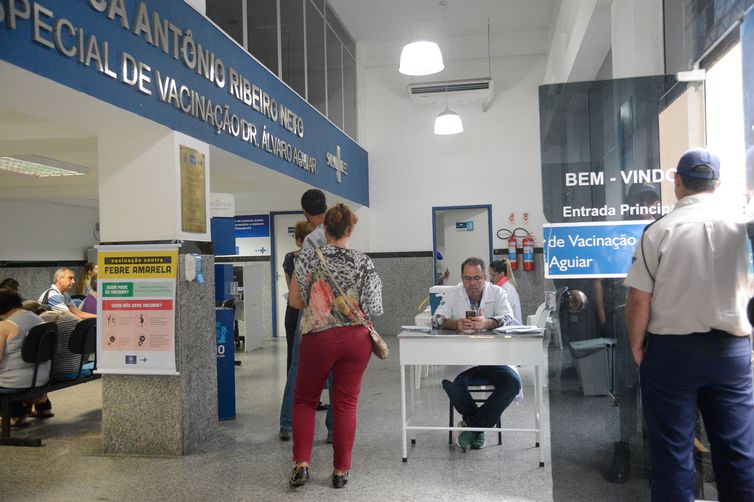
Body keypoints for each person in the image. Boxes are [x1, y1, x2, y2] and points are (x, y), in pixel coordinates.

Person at [625, 147, 754, 500]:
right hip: (731, 351)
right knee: (738, 452)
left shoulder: (658, 231)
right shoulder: (743, 228)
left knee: (672, 453)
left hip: (672, 353)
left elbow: (638, 299)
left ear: (677, 182)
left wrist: (638, 347)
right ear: (718, 184)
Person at [287, 203, 383, 489]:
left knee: (305, 400)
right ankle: (340, 471)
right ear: (351, 229)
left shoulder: (308, 258)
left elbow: (294, 301)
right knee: (346, 404)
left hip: (319, 337)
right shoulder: (364, 261)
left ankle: (302, 465)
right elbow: (374, 306)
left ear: (324, 228)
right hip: (356, 341)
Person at [597, 182, 660, 484]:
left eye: (651, 201)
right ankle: (623, 447)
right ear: (630, 205)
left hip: (660, 325)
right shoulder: (618, 236)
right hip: (626, 320)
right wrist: (603, 317)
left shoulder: (665, 232)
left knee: (656, 392)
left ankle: (652, 454)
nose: (645, 207)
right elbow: (603, 277)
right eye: (640, 202)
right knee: (626, 389)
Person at [432, 257, 521, 451]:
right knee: (451, 383)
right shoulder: (454, 292)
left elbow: (508, 317)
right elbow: (437, 319)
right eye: (467, 278)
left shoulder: (498, 292)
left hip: (494, 356)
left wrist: (487, 323)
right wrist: (456, 324)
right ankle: (478, 429)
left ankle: (471, 428)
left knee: (513, 382)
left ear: (485, 277)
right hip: (462, 359)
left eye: (477, 278)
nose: (471, 283)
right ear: (461, 278)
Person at [279, 189, 333, 442]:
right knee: (335, 368)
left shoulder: (311, 240)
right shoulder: (337, 232)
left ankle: (287, 424)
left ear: (305, 213)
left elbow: (301, 283)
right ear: (326, 206)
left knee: (298, 367)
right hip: (335, 313)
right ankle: (334, 428)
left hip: (311, 310)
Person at [0, 288, 48, 426]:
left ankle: (13, 416)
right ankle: (18, 415)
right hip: (42, 376)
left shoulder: (5, 325)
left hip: (16, 381)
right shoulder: (37, 318)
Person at [282, 221, 312, 373]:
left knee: (293, 350)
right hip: (314, 310)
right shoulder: (317, 258)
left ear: (299, 239)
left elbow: (290, 287)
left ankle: (292, 389)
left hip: (293, 309)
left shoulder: (290, 258)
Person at [488, 259, 522, 324]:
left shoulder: (506, 289)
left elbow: (503, 313)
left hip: (512, 327)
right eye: (490, 276)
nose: (491, 279)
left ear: (502, 274)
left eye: (493, 276)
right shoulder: (503, 287)